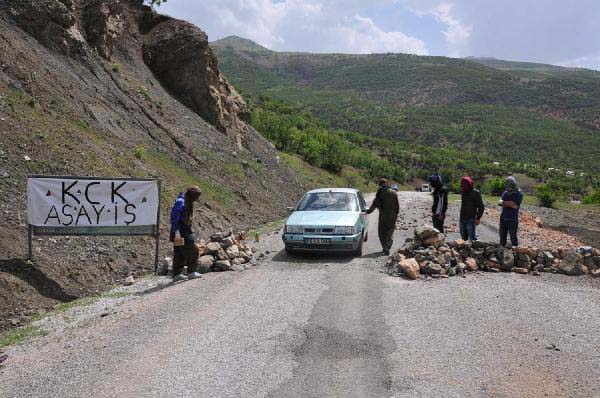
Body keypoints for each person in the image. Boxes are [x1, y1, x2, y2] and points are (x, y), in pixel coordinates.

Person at [170, 186, 203, 282]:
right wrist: (176, 232)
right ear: (192, 194)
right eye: (197, 196)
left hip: (184, 229)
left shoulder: (188, 201)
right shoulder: (181, 202)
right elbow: (174, 217)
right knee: (194, 249)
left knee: (179, 252)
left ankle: (177, 274)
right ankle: (191, 272)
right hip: (181, 231)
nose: (197, 198)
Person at [366, 178, 400, 255]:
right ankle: (388, 246)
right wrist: (395, 214)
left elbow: (374, 204)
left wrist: (368, 211)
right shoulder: (393, 193)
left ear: (379, 185)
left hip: (383, 217)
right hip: (392, 217)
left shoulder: (379, 193)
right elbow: (397, 206)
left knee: (381, 233)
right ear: (387, 184)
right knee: (390, 232)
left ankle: (385, 247)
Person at [498, 176, 524, 247]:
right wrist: (509, 204)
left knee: (513, 238)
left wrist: (505, 203)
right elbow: (499, 203)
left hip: (512, 219)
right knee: (502, 238)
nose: (508, 189)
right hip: (503, 218)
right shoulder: (505, 193)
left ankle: (515, 254)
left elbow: (512, 204)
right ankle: (502, 252)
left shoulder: (519, 193)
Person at [459, 176, 484, 241]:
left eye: (465, 185)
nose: (464, 186)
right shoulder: (463, 191)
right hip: (462, 218)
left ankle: (474, 250)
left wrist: (478, 218)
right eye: (463, 185)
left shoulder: (476, 193)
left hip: (471, 219)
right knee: (463, 239)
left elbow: (481, 206)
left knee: (472, 239)